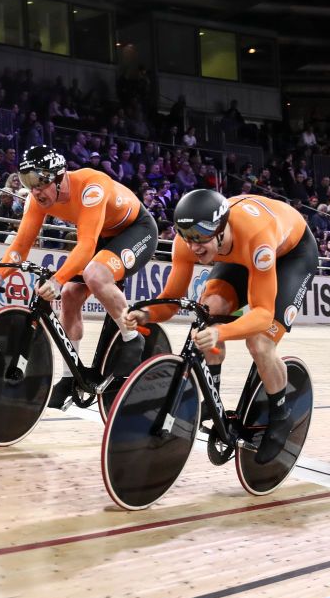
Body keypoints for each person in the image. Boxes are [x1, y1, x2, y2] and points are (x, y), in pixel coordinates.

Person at [122, 189, 318, 465]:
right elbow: (171, 302)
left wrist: (220, 332)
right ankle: (212, 402)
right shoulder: (188, 240)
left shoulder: (257, 238)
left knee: (260, 343)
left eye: (201, 240)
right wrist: (144, 314)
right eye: (189, 239)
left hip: (291, 255)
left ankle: (280, 415)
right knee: (209, 311)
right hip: (239, 254)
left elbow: (262, 314)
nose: (194, 248)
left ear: (221, 229)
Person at [0, 145, 159, 408]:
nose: (35, 190)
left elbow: (86, 246)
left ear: (59, 176)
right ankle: (69, 377)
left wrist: (57, 279)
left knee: (95, 275)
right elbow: (20, 246)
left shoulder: (90, 187)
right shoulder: (36, 199)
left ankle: (132, 337)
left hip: (135, 230)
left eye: (39, 181)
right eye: (28, 182)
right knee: (70, 295)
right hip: (101, 235)